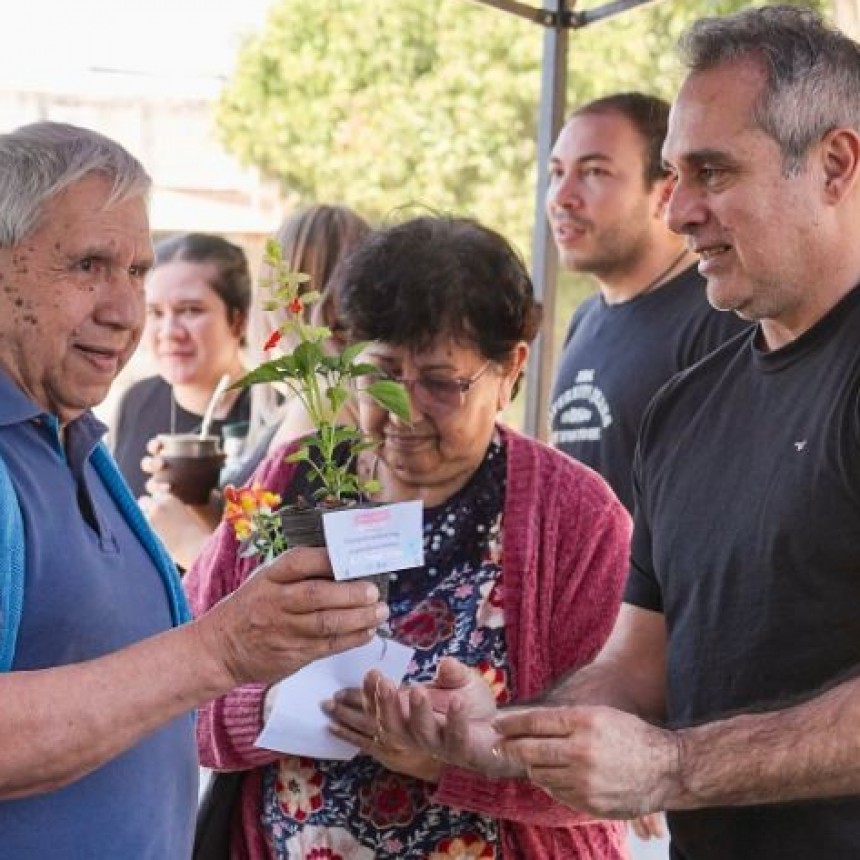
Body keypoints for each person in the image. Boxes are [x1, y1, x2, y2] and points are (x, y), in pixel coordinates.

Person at [366, 7, 860, 859]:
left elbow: (666, 751)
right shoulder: (686, 405)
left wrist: (677, 767)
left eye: (713, 171)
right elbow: (638, 668)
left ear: (835, 164)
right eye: (673, 174)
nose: (681, 212)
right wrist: (506, 731)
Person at [184, 215, 633, 858]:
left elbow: (614, 761)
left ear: (511, 370)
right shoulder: (294, 480)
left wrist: (451, 758)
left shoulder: (575, 519)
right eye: (382, 374)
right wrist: (268, 711)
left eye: (442, 383)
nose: (405, 411)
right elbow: (182, 694)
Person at [0, 120, 387, 859]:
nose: (124, 309)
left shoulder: (77, 438)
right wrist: (220, 649)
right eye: (88, 264)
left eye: (137, 271)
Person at [138, 204, 371, 569]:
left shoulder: (326, 406)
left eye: (191, 310)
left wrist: (184, 541)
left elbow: (288, 580)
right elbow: (267, 535)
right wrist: (203, 501)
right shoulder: (333, 394)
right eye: (154, 312)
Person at [547, 91, 747, 512]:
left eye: (594, 172)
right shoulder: (585, 320)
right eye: (556, 172)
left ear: (665, 193)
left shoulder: (719, 314)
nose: (562, 197)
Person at [112, 232, 253, 498]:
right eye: (155, 312)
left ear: (239, 319)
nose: (169, 331)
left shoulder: (268, 418)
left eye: (190, 310)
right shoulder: (135, 402)